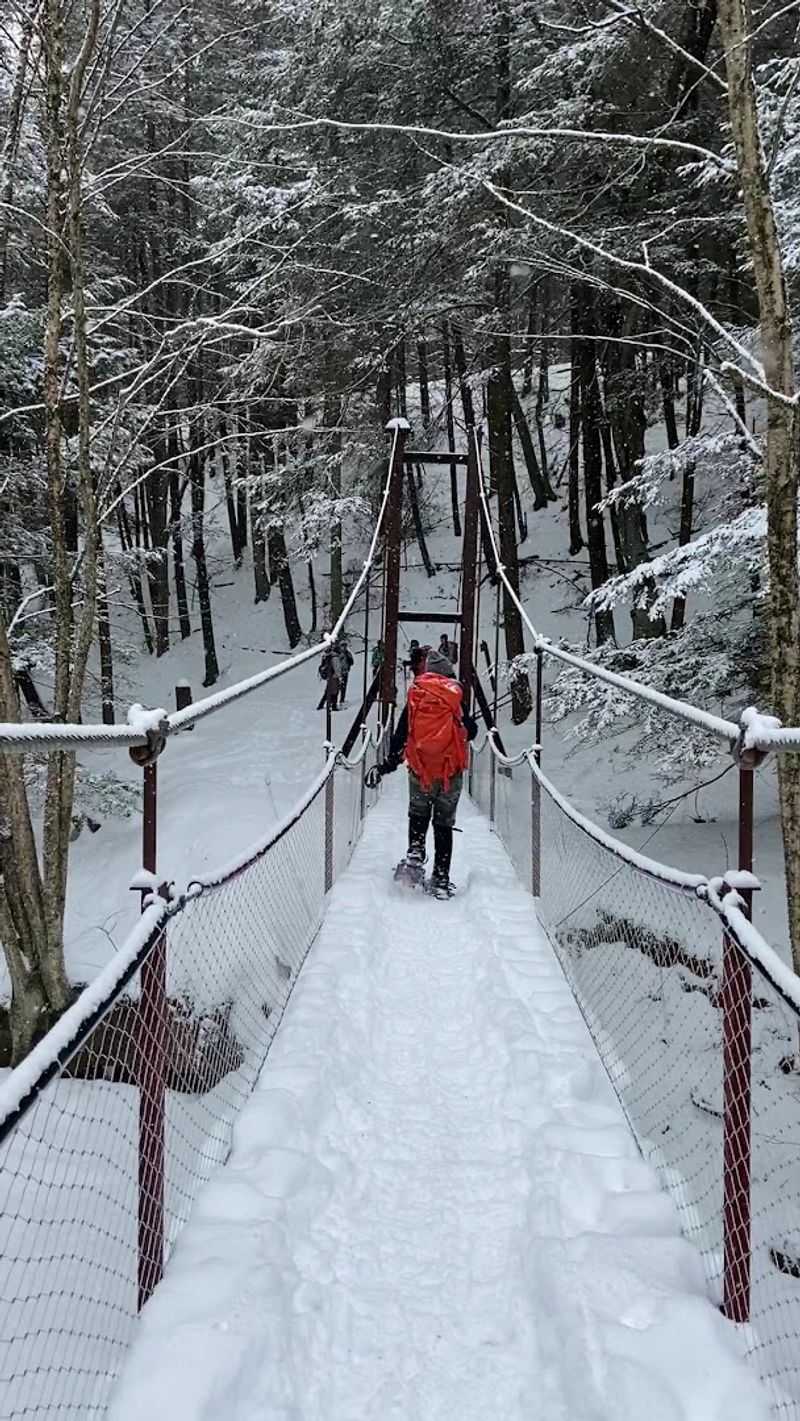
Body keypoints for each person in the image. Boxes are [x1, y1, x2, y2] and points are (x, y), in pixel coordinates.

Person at [376, 646, 478, 898]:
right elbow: (471, 732)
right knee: (443, 824)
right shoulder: (455, 698)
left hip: (420, 770)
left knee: (418, 814)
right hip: (449, 773)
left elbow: (401, 735)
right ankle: (441, 881)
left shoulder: (416, 696)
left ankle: (414, 858)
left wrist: (388, 764)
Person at [336, 635, 354, 708]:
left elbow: (352, 662)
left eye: (345, 645)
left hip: (345, 672)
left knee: (343, 687)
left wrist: (348, 658)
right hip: (338, 673)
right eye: (342, 646)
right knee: (336, 687)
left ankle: (342, 700)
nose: (344, 647)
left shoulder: (348, 653)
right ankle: (334, 701)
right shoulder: (337, 653)